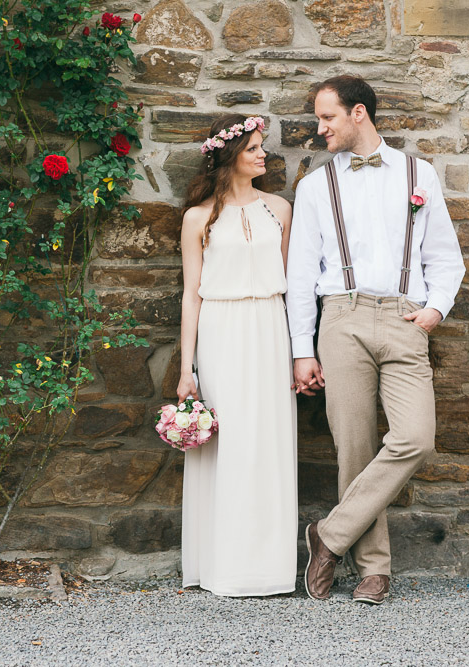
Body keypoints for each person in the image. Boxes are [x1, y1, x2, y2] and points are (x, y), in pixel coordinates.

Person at [287, 76, 464, 605]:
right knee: (354, 448)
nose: (320, 130)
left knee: (416, 436)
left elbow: (445, 255)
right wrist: (302, 349)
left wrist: (435, 309)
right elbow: (300, 274)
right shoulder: (316, 186)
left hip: (406, 319)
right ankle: (374, 569)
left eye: (328, 118)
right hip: (341, 317)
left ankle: (329, 535)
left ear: (358, 113)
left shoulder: (418, 174)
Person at [176, 114, 297, 597]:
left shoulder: (280, 211)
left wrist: (299, 350)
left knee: (268, 443)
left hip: (270, 328)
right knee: (228, 447)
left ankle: (269, 568)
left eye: (261, 147)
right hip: (221, 332)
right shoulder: (197, 218)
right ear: (228, 156)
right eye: (252, 148)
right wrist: (187, 368)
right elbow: (191, 295)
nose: (262, 154)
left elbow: (296, 288)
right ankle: (222, 566)